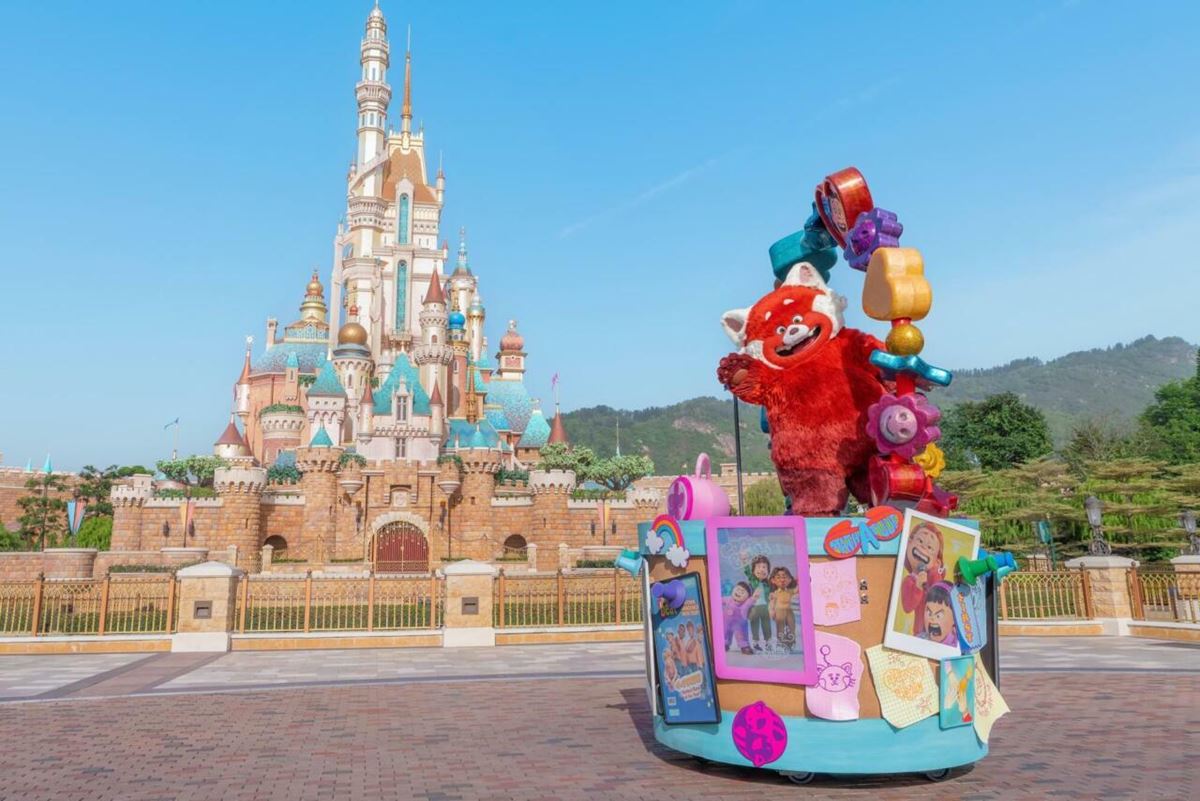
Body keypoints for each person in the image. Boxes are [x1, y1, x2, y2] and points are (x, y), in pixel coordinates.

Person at [900, 522, 945, 636]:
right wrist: (918, 587)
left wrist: (935, 571)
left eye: (930, 547)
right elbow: (907, 607)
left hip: (940, 631)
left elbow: (938, 596)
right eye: (920, 541)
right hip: (921, 633)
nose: (923, 547)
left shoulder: (934, 577)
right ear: (909, 543)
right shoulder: (909, 581)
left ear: (936, 561)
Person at [742, 552, 773, 651]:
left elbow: (772, 595)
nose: (761, 569)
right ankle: (756, 642)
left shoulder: (768, 584)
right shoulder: (752, 580)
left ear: (768, 570)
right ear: (753, 570)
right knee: (754, 624)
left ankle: (768, 643)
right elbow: (747, 571)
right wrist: (744, 560)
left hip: (765, 608)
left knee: (766, 626)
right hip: (754, 608)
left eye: (764, 567)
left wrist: (772, 601)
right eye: (758, 567)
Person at [768, 566, 799, 650]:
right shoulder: (774, 593)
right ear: (773, 580)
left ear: (789, 580)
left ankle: (791, 644)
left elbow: (797, 589)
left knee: (791, 628)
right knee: (780, 629)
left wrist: (801, 580)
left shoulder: (790, 591)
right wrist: (771, 612)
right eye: (778, 577)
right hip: (779, 612)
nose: (782, 580)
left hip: (789, 612)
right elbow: (771, 604)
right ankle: (781, 644)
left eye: (784, 577)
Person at [722, 581, 757, 655]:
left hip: (739, 624)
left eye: (742, 591)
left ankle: (744, 646)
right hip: (726, 623)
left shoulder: (745, 603)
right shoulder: (729, 599)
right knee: (725, 633)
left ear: (748, 596)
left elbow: (750, 602)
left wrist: (753, 598)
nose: (739, 592)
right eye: (738, 589)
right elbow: (720, 600)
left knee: (741, 635)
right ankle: (725, 643)